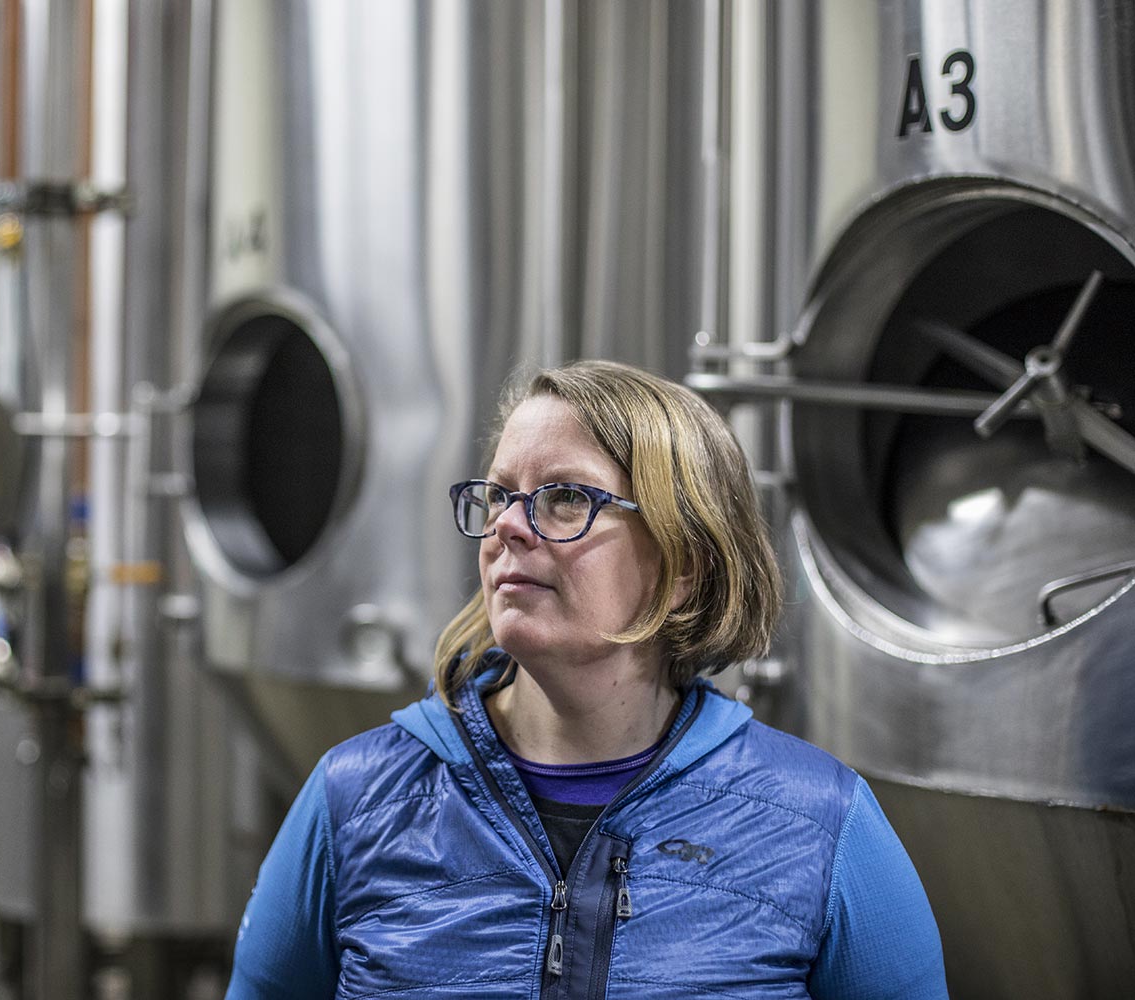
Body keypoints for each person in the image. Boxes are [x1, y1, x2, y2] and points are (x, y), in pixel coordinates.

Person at [226, 360, 948, 999]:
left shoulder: (818, 822)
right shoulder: (355, 799)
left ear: (683, 563)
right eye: (502, 495)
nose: (510, 526)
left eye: (567, 497)